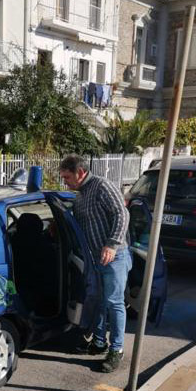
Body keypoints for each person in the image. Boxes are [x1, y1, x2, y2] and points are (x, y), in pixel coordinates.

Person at [60, 155, 131, 372]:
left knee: (114, 302)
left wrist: (112, 244)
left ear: (80, 172)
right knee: (99, 300)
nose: (65, 182)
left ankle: (116, 350)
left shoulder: (102, 186)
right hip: (96, 259)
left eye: (67, 177)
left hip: (115, 256)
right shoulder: (80, 195)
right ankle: (99, 342)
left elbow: (122, 214)